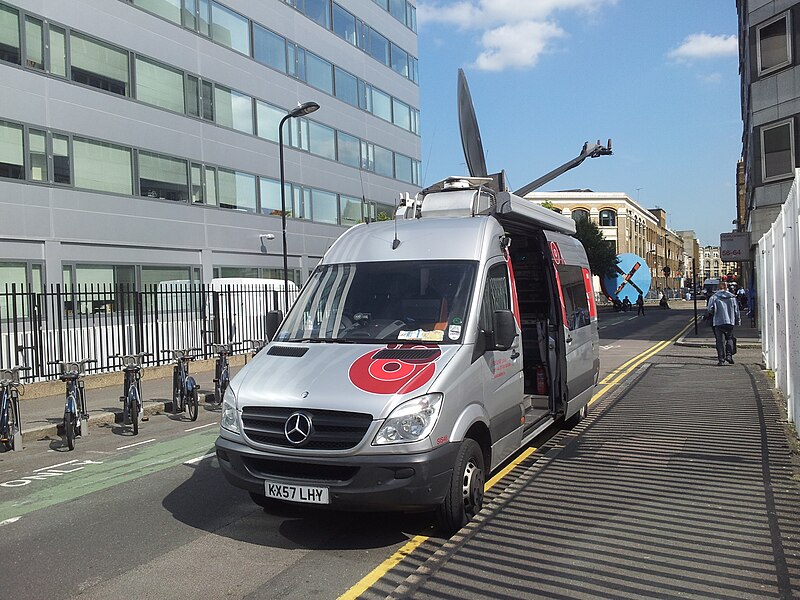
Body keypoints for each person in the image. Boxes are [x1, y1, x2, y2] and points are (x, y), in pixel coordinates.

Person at [707, 281, 741, 366]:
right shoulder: (732, 298)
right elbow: (736, 310)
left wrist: (714, 312)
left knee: (720, 341)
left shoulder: (714, 297)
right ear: (726, 288)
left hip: (718, 322)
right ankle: (729, 356)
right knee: (729, 339)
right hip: (730, 321)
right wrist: (737, 320)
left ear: (719, 288)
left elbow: (710, 309)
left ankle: (721, 359)